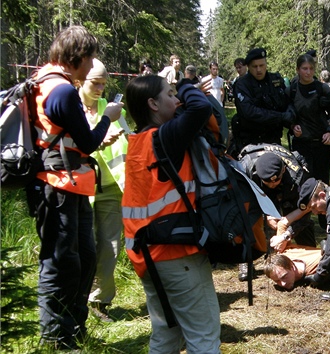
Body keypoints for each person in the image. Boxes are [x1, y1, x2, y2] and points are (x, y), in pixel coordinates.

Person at [28, 25, 123, 350]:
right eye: (91, 56)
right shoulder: (63, 91)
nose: (92, 62)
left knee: (81, 256)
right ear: (80, 57)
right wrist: (108, 117)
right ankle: (56, 337)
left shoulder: (44, 80)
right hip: (58, 188)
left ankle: (73, 327)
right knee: (59, 261)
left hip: (71, 185)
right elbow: (88, 140)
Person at [122, 75, 220, 353]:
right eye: (170, 94)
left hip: (147, 256)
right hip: (177, 256)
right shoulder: (166, 137)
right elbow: (201, 109)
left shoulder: (138, 140)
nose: (177, 100)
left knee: (166, 335)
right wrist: (188, 84)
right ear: (152, 103)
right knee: (203, 337)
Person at [78, 58, 128, 323]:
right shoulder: (71, 107)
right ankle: (77, 299)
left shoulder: (109, 109)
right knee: (83, 247)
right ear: (80, 80)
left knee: (109, 247)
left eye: (103, 84)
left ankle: (99, 301)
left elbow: (127, 146)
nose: (99, 88)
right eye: (94, 83)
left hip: (111, 189)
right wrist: (99, 139)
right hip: (79, 189)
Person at [239, 149, 315, 249]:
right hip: (259, 192)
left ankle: (312, 254)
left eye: (276, 180)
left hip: (289, 190)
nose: (272, 184)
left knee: (301, 227)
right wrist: (265, 216)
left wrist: (288, 233)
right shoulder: (245, 170)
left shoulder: (297, 177)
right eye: (267, 181)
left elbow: (307, 207)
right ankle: (247, 255)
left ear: (283, 170)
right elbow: (242, 205)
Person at [230, 48, 294, 156]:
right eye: (255, 66)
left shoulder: (275, 81)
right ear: (249, 67)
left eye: (262, 65)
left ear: (266, 64)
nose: (259, 70)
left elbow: (287, 103)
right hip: (250, 141)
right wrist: (281, 116)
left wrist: (291, 116)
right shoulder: (242, 84)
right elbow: (249, 112)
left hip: (273, 138)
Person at [288, 54, 330, 185]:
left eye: (311, 68)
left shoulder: (322, 89)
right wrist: (293, 126)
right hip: (302, 144)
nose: (308, 72)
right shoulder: (291, 90)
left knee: (322, 182)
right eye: (304, 68)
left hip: (322, 144)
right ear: (298, 70)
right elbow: (287, 114)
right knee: (304, 182)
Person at [263, 245, 327, 290]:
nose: (282, 284)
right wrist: (282, 237)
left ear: (292, 266)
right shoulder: (284, 250)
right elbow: (282, 226)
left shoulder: (318, 266)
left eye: (284, 277)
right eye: (277, 281)